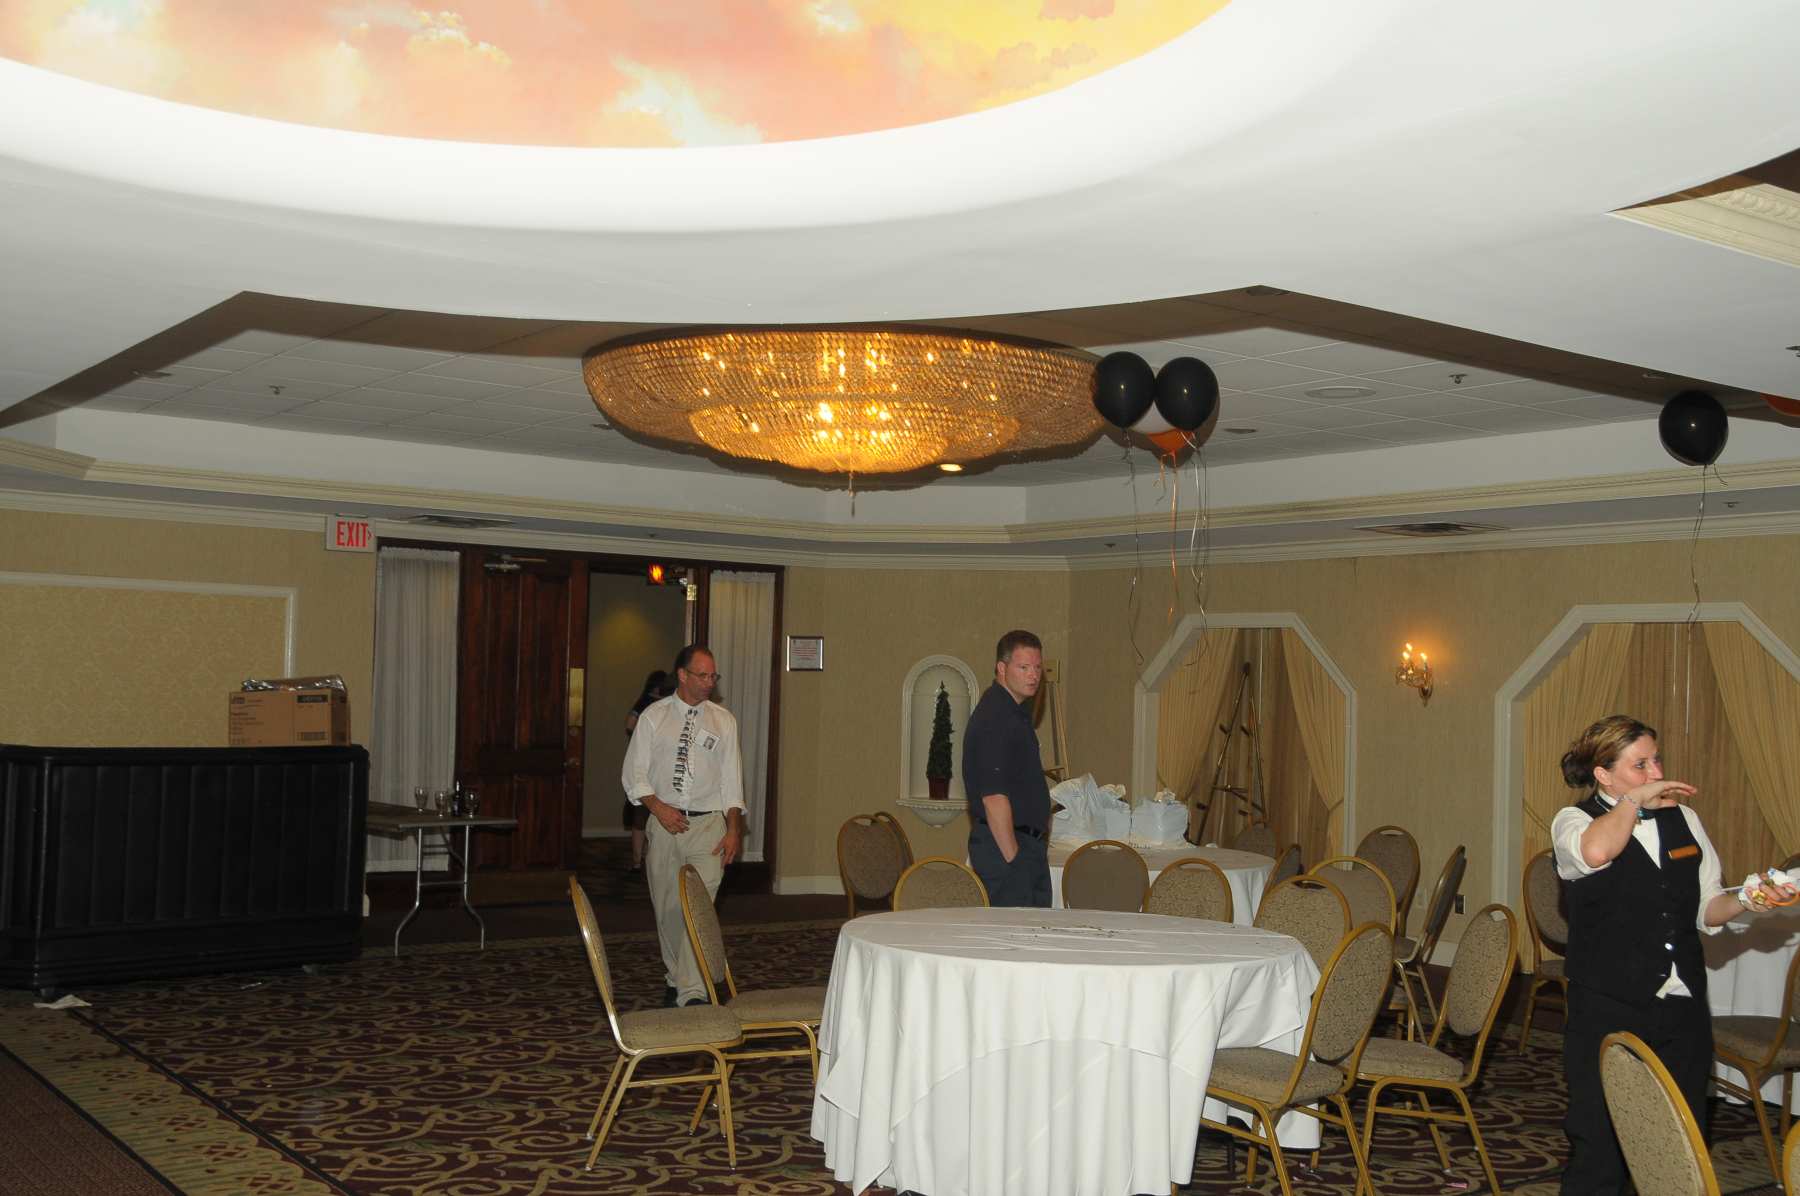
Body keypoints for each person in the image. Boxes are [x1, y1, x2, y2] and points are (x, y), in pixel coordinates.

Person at [1552, 714, 1785, 1196]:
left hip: (1682, 1003)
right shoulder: (1575, 822)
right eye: (1640, 765)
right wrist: (1633, 802)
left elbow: (1707, 906)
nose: (1656, 773)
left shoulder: (1684, 819)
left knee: (1681, 1141)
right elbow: (1597, 854)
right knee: (1600, 1145)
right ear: (1603, 774)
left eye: (1656, 759)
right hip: (1609, 1003)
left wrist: (1748, 899)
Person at [622, 645, 744, 1007]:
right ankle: (676, 979)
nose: (709, 683)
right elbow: (634, 774)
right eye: (702, 675)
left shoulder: (724, 721)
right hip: (665, 825)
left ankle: (692, 992)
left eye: (713, 676)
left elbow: (732, 783)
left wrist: (733, 829)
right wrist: (658, 808)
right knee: (669, 911)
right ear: (682, 675)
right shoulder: (654, 717)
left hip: (709, 827)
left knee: (699, 908)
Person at [963, 629, 1053, 907]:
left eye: (1037, 667)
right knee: (1016, 932)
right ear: (1002, 669)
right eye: (1023, 667)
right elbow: (993, 798)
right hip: (1007, 846)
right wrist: (1015, 859)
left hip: (1025, 845)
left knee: (1035, 930)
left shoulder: (1015, 713)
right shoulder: (996, 719)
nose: (1033, 675)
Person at [622, 670, 672, 870]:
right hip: (652, 766)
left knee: (643, 813)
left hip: (650, 765)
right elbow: (630, 723)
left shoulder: (651, 702)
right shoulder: (653, 703)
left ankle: (639, 859)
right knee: (646, 812)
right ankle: (644, 858)